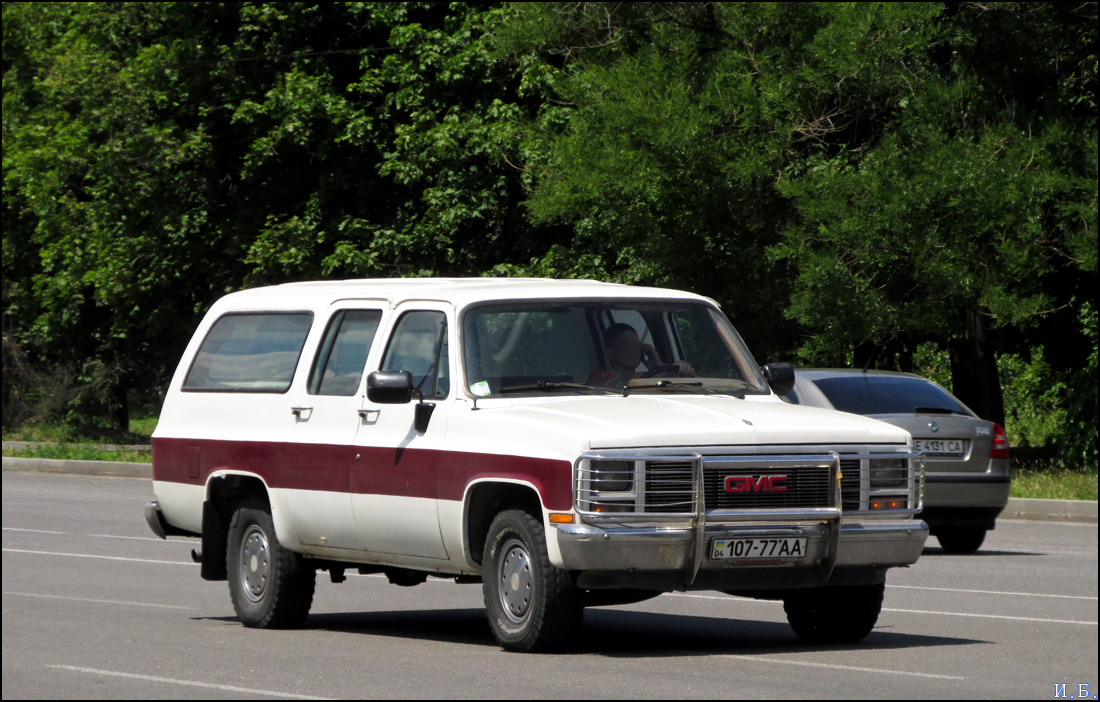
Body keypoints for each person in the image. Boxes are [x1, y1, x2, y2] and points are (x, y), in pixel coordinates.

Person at [586, 323, 694, 388]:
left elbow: (702, 383)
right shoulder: (600, 377)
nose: (632, 348)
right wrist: (666, 370)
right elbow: (627, 382)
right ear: (610, 352)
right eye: (626, 344)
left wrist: (659, 365)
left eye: (635, 344)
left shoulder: (653, 377)